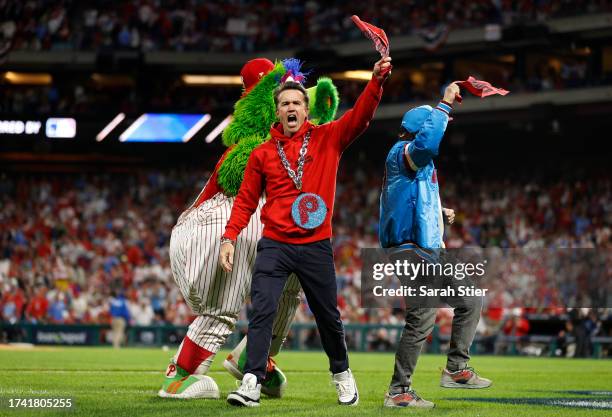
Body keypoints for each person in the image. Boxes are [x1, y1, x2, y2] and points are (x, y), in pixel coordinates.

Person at [158, 57, 341, 399]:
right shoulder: (256, 145)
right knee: (221, 307)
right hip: (218, 223)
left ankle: (253, 358)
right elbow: (237, 180)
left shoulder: (280, 139)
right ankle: (180, 374)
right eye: (282, 96)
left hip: (216, 224)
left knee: (291, 277)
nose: (291, 105)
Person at [219, 55, 392, 407]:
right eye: (284, 104)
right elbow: (246, 202)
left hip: (315, 245)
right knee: (262, 310)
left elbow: (361, 118)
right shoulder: (262, 155)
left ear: (306, 108)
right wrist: (229, 236)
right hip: (275, 245)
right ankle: (252, 380)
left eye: (296, 102)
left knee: (328, 315)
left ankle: (342, 374)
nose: (291, 108)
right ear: (277, 112)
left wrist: (376, 83)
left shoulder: (329, 138)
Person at [378, 83, 492, 409]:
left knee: (469, 298)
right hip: (410, 248)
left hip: (428, 246)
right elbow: (427, 144)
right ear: (419, 128)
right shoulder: (402, 152)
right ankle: (398, 390)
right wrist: (444, 104)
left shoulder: (414, 162)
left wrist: (439, 214)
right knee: (423, 317)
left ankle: (456, 368)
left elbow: (407, 200)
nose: (441, 131)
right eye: (435, 125)